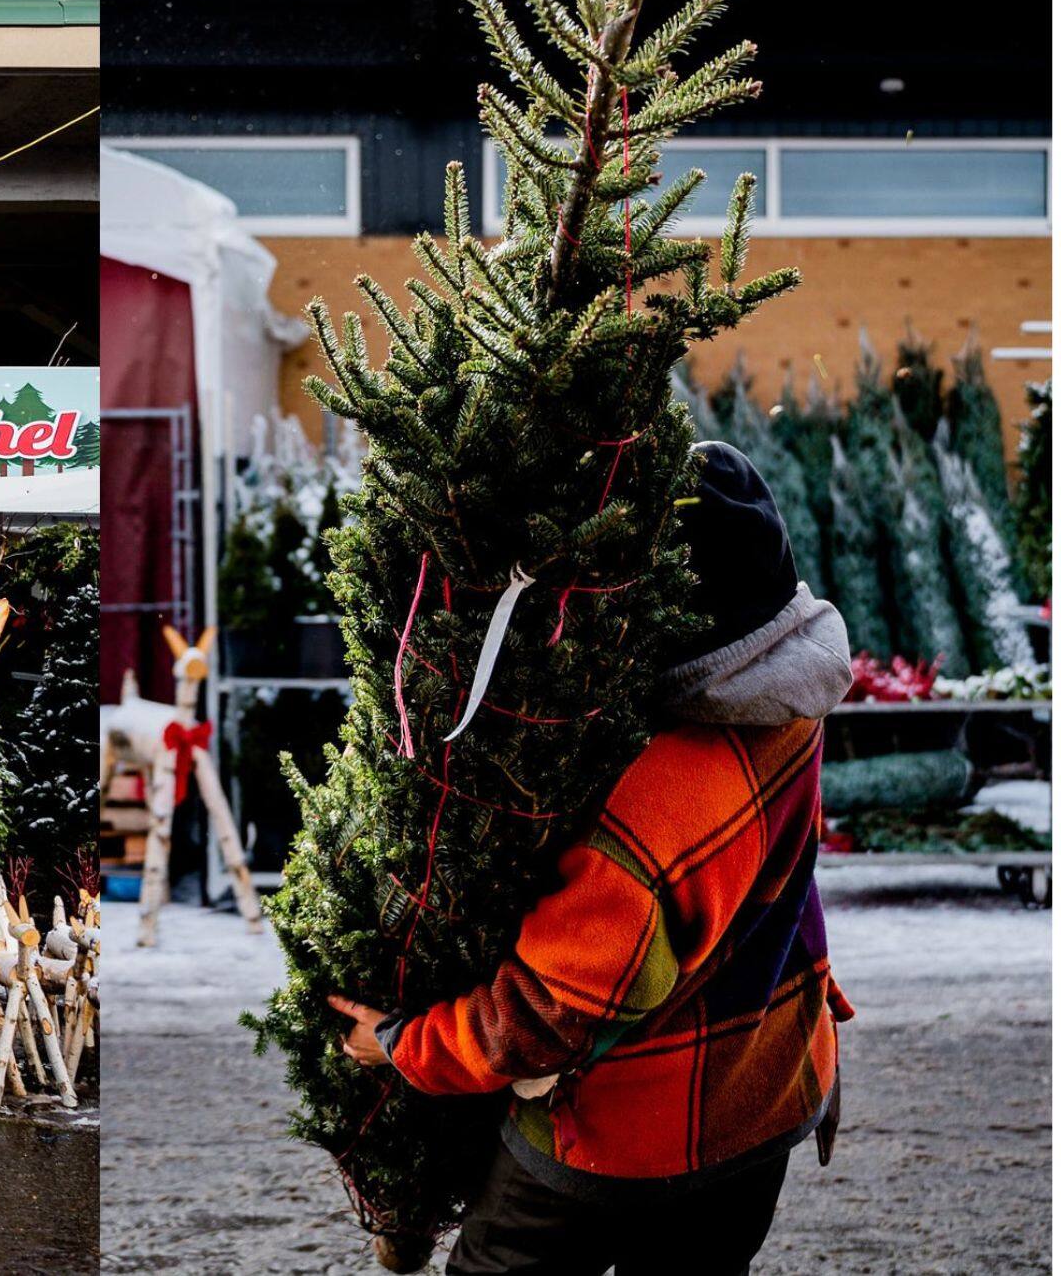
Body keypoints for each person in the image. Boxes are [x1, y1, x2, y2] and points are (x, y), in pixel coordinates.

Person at [327, 442, 855, 1276]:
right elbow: (768, 880)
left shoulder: (654, 799)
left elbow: (549, 1010)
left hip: (631, 1127)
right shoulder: (789, 694)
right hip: (764, 1082)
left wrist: (399, 1043)